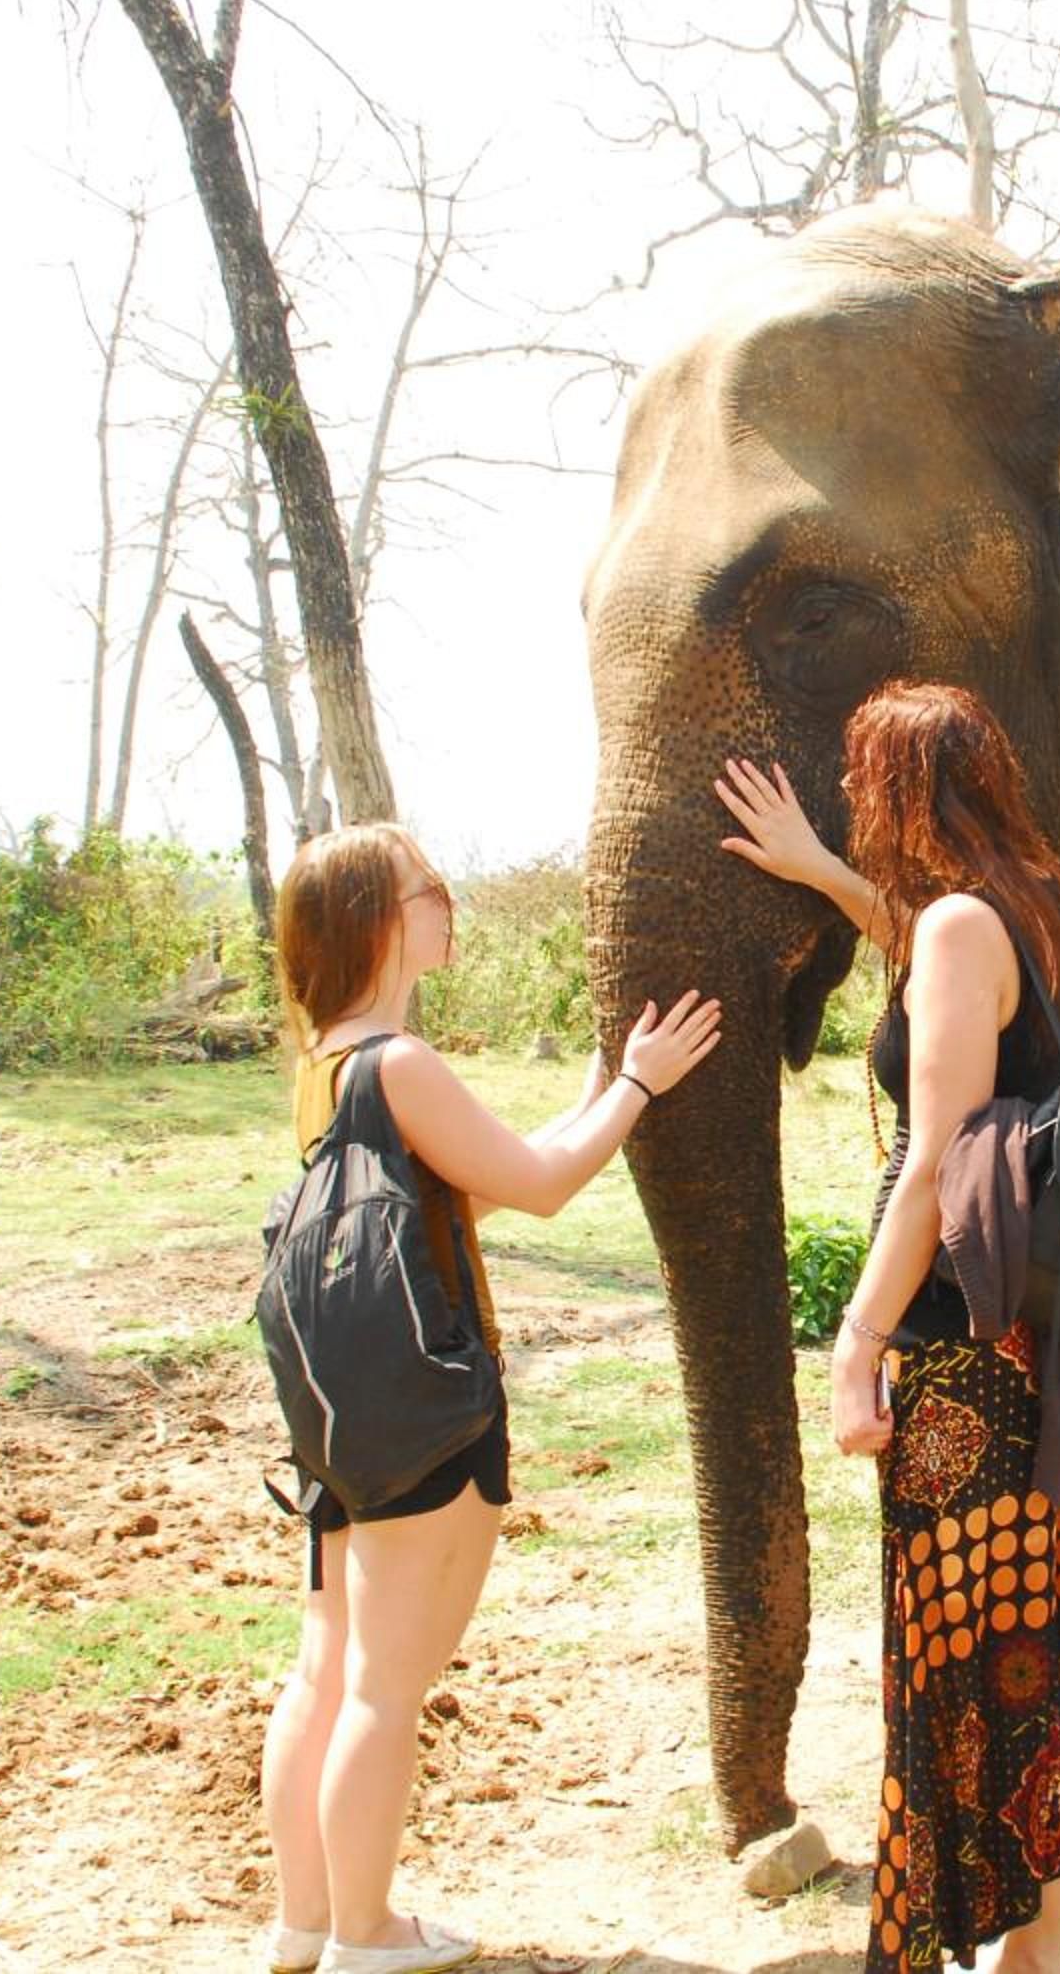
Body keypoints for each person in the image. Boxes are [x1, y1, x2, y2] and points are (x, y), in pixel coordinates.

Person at [719, 685, 1060, 1974]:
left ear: (898, 793)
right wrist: (819, 870)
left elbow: (932, 1159)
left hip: (964, 1340)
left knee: (984, 1638)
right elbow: (949, 968)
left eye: (862, 791)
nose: (857, 811)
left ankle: (1032, 1945)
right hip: (1048, 1327)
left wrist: (858, 1337)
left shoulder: (965, 925)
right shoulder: (1050, 900)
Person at [261, 822, 722, 1974]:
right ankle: (367, 1932)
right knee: (384, 1686)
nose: (448, 904)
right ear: (378, 919)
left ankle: (306, 1921)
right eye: (429, 888)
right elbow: (543, 1185)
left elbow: (472, 1186)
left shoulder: (327, 1065)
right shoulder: (401, 1064)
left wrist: (597, 1094)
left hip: (340, 1416)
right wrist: (639, 1085)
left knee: (326, 1668)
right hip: (425, 1414)